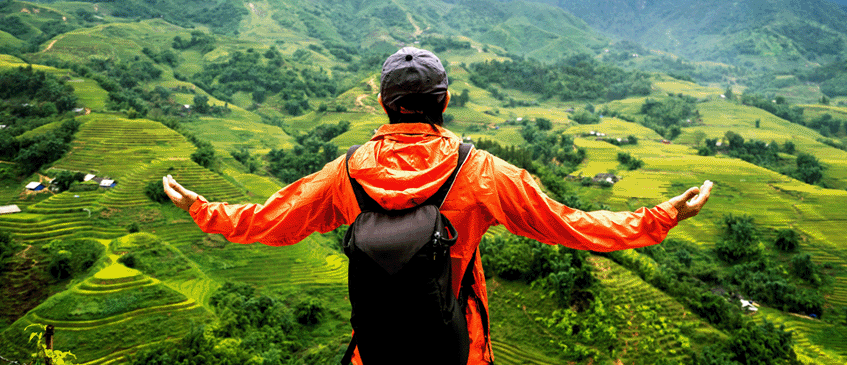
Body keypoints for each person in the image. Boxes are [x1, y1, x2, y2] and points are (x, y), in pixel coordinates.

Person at [163, 46, 713, 364]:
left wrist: (203, 209)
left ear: (383, 103)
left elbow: (270, 222)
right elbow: (569, 226)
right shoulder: (481, 172)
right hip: (456, 345)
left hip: (375, 351)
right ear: (445, 102)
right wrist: (662, 216)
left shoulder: (347, 172)